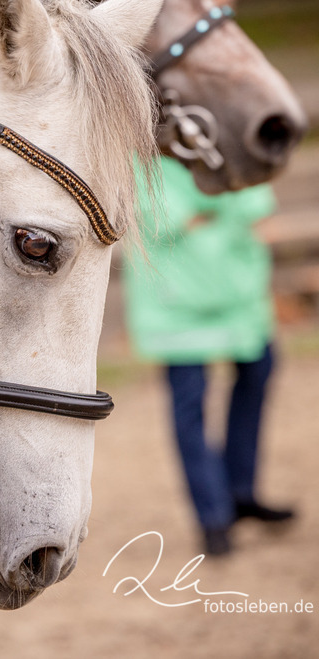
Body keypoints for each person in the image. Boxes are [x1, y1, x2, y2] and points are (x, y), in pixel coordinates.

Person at [123, 156, 294, 556]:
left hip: (237, 294)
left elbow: (254, 208)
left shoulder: (224, 140)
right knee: (190, 404)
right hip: (176, 302)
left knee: (260, 368)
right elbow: (161, 219)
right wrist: (217, 210)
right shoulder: (146, 158)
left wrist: (204, 216)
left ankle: (239, 491)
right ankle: (212, 516)